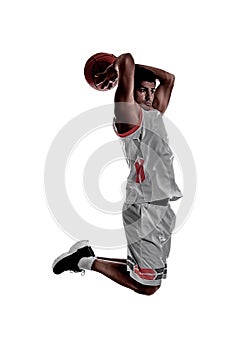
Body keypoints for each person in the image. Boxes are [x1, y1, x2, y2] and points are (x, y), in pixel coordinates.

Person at [52, 53, 182, 296]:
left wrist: (129, 72)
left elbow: (168, 78)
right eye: (143, 90)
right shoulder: (128, 117)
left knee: (148, 272)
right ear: (129, 92)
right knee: (148, 286)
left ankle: (83, 256)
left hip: (161, 206)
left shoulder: (153, 113)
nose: (150, 96)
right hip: (145, 206)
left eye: (152, 91)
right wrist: (118, 70)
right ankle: (83, 262)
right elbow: (127, 60)